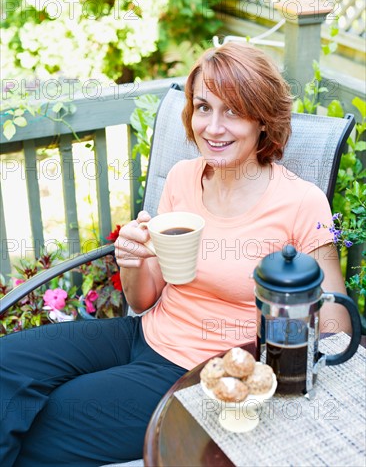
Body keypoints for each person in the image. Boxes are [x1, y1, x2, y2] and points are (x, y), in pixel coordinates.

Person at [0, 42, 350, 467]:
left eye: (234, 111)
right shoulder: (184, 178)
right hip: (141, 333)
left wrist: (274, 348)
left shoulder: (302, 202)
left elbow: (336, 327)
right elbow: (142, 300)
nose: (214, 127)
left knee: (47, 421)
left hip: (197, 373)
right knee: (6, 366)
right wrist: (133, 261)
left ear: (263, 120)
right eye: (203, 107)